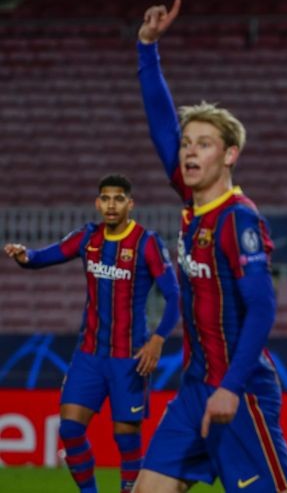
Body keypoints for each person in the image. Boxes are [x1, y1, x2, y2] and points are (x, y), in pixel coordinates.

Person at [134, 0, 287, 492]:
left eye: (202, 143)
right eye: (188, 143)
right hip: (195, 386)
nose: (188, 149)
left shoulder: (238, 220)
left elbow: (263, 310)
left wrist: (230, 388)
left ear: (230, 154)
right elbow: (161, 127)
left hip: (240, 388)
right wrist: (147, 48)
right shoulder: (192, 204)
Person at [3, 174, 180, 493]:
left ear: (130, 204)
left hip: (129, 358)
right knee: (70, 429)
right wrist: (25, 256)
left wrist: (157, 339)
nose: (111, 205)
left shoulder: (146, 243)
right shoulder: (87, 237)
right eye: (106, 199)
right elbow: (45, 256)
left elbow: (174, 297)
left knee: (126, 439)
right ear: (98, 203)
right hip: (89, 355)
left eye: (119, 199)